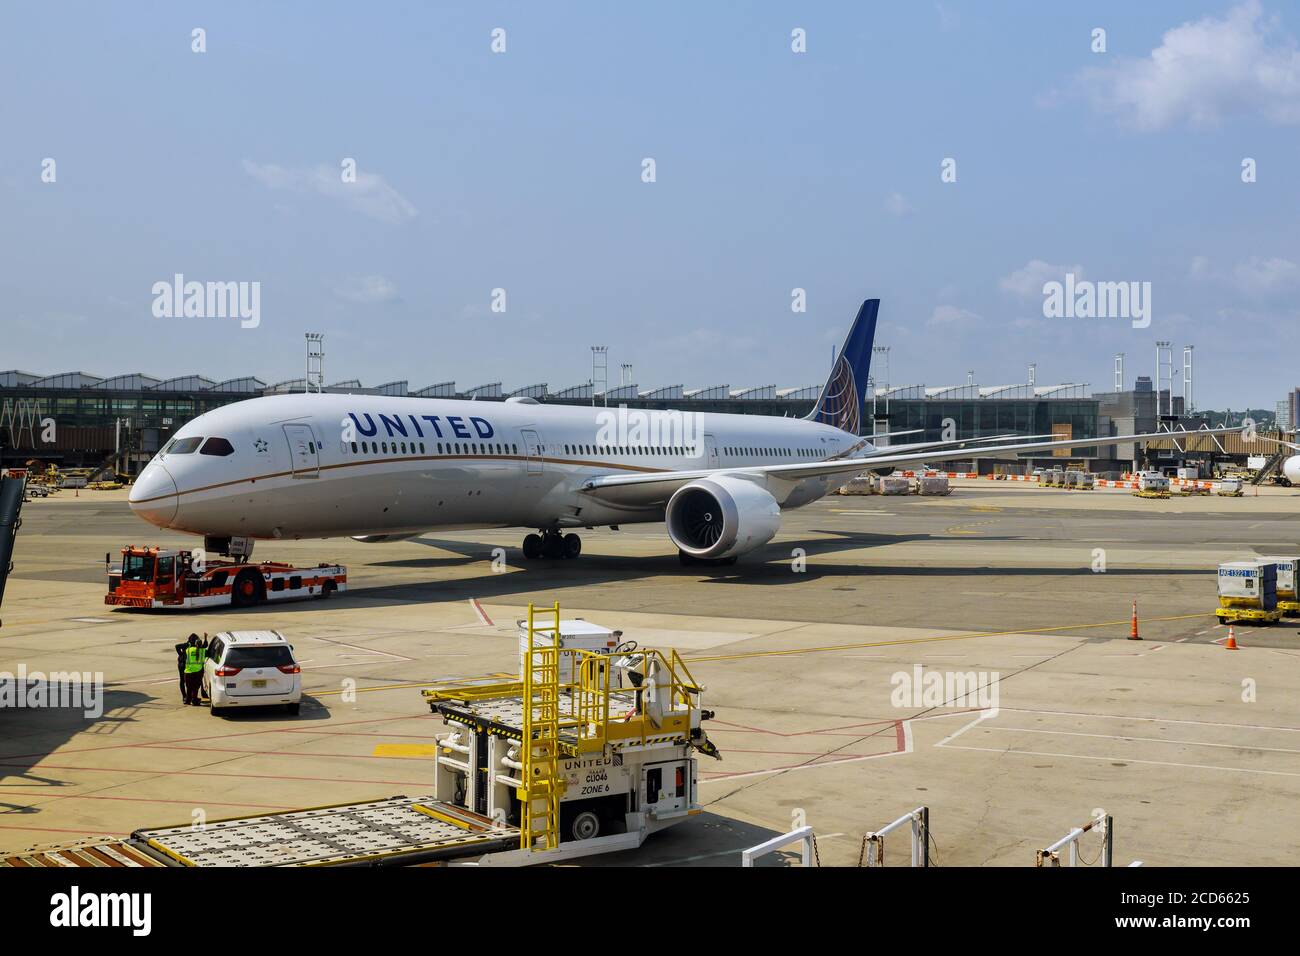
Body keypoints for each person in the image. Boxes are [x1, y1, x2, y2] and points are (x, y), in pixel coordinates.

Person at [180, 633, 206, 705]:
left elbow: (184, 656)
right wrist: (206, 639)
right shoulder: (203, 651)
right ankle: (194, 700)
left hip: (188, 672)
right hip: (198, 672)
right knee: (195, 688)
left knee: (189, 687)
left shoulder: (188, 650)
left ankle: (188, 700)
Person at [174, 633, 199, 703]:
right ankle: (184, 696)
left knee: (187, 680)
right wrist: (181, 654)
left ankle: (188, 696)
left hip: (186, 664)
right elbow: (177, 646)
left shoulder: (193, 645)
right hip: (182, 664)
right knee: (183, 680)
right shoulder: (188, 644)